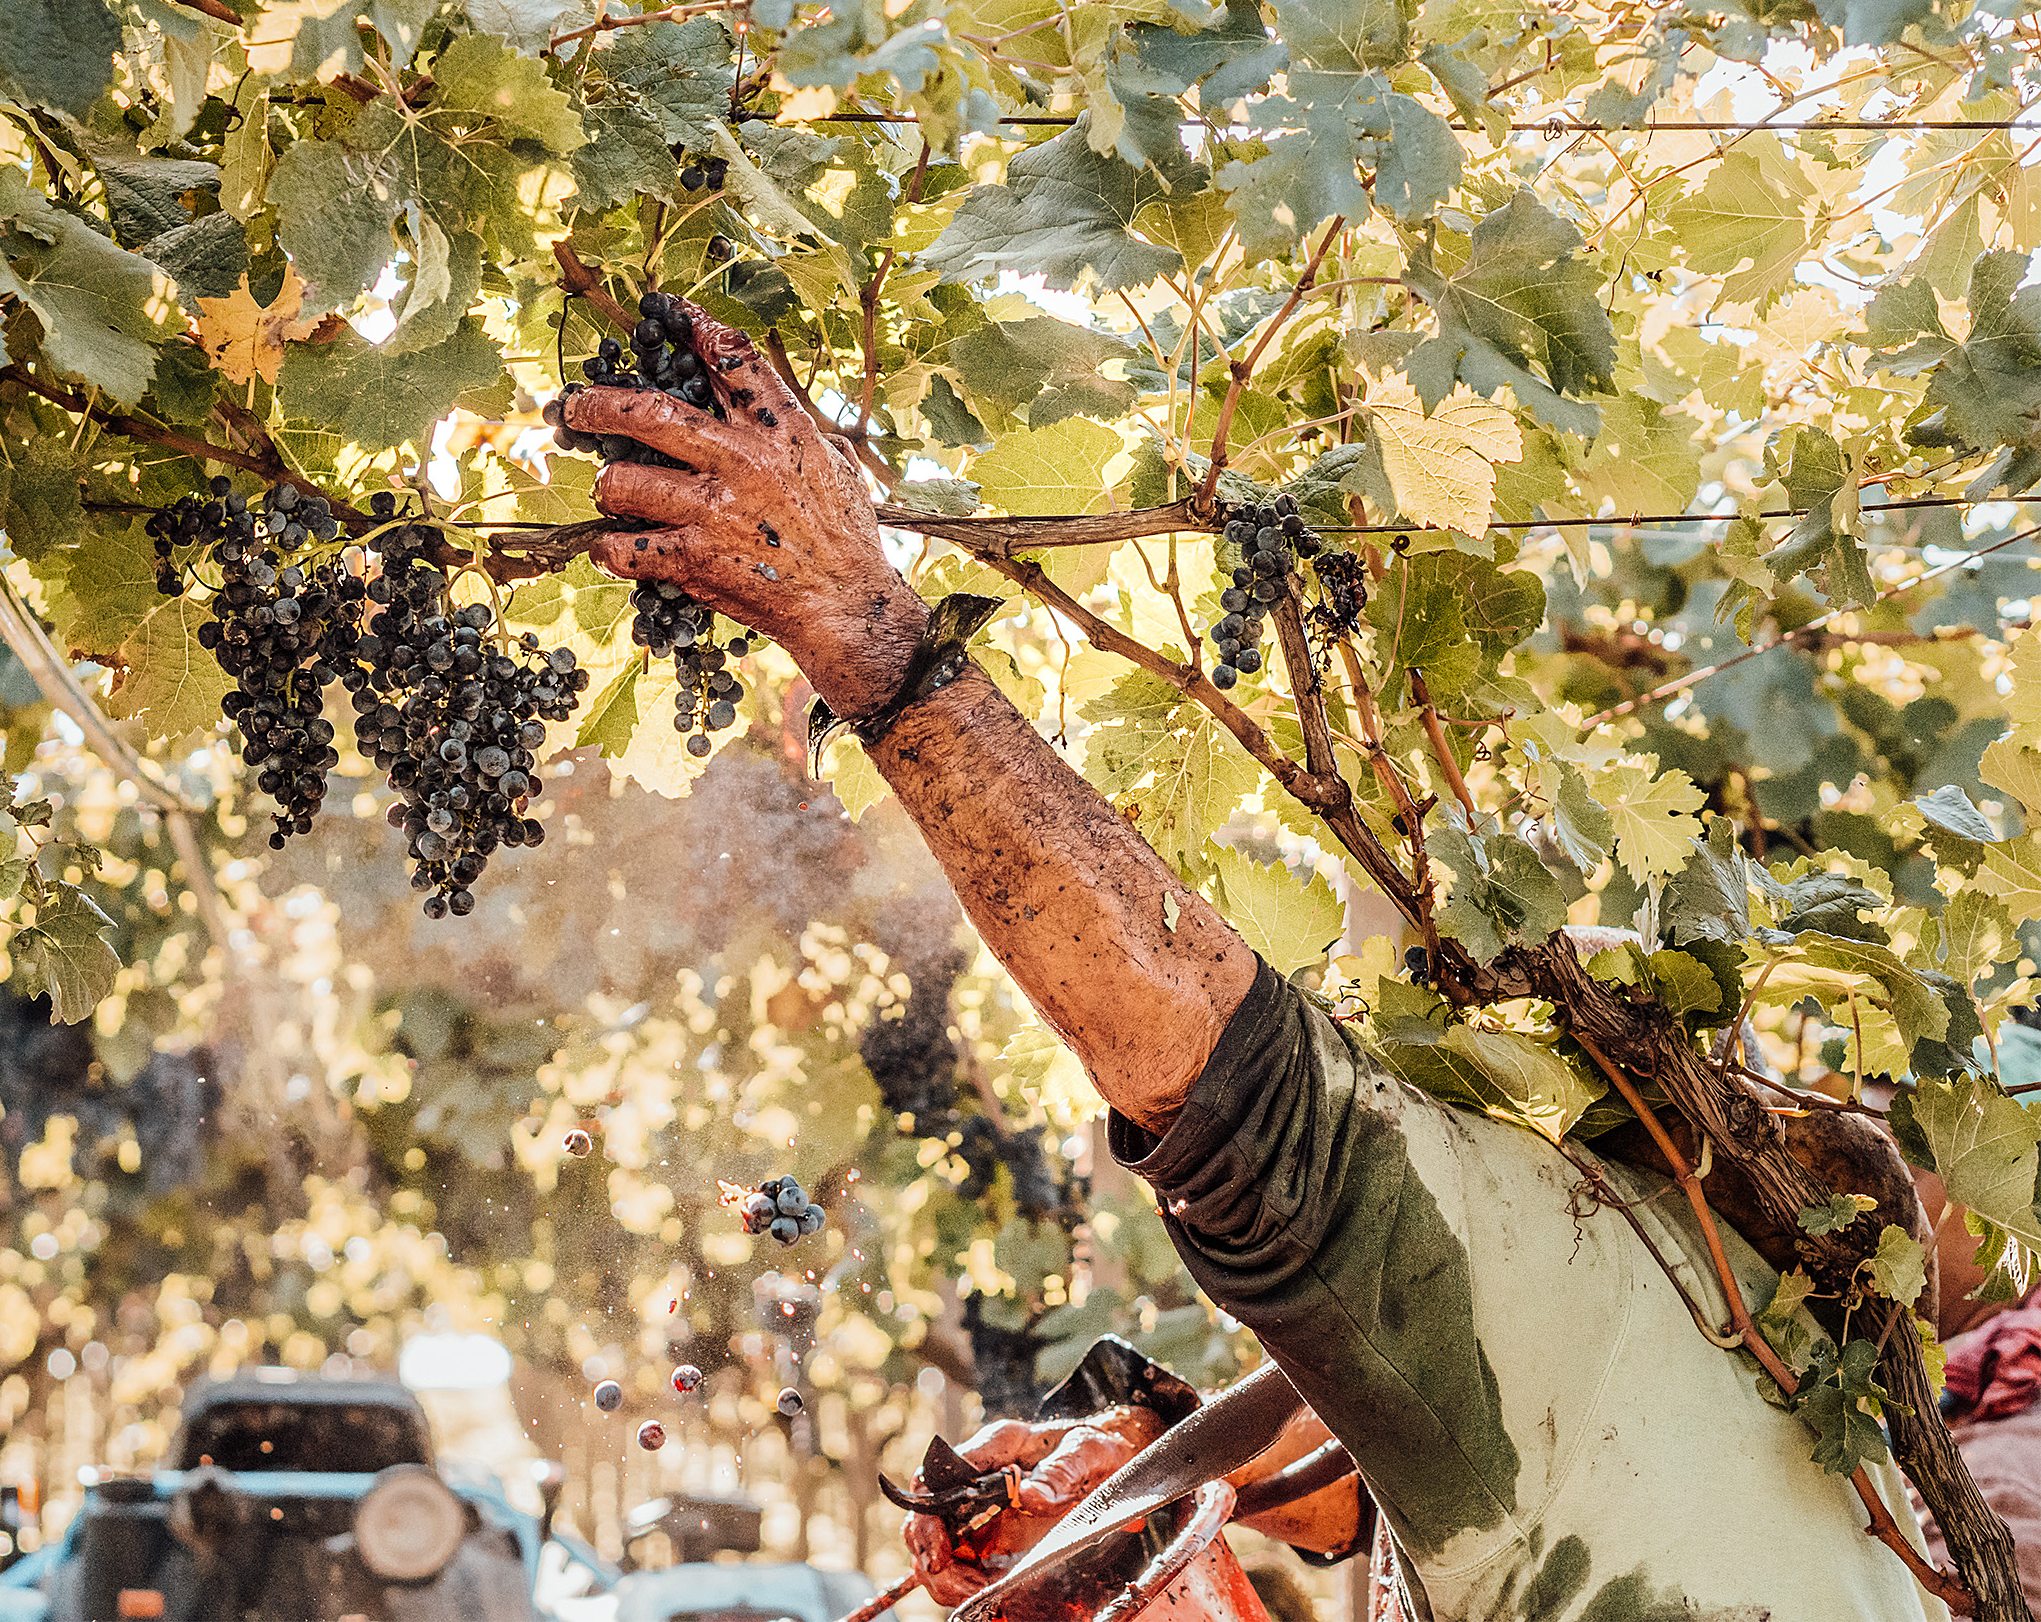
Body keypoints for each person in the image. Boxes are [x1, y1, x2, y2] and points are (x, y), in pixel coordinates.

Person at [560, 298, 1950, 1621]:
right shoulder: (1763, 1336)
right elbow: (1367, 1483)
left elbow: (1225, 1077)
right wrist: (1158, 1462)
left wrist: (861, 623)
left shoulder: (1557, 1246)